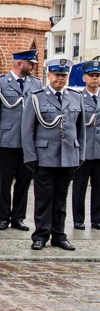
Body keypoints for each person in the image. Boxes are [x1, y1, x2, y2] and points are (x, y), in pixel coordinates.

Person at [23, 58, 84, 251]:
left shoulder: (76, 97)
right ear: (48, 75)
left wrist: (79, 154)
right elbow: (27, 130)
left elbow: (80, 129)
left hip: (67, 156)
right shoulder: (36, 97)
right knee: (43, 198)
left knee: (60, 198)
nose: (60, 78)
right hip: (44, 156)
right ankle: (40, 235)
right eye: (57, 74)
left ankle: (59, 235)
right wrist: (30, 155)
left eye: (64, 75)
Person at [0, 49, 43, 231]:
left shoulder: (35, 84)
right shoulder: (0, 83)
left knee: (24, 181)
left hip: (28, 142)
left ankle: (18, 217)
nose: (33, 67)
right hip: (7, 140)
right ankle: (3, 217)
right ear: (20, 63)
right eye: (30, 64)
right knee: (4, 182)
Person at [73, 60, 100, 230]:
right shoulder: (78, 98)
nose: (95, 79)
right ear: (84, 78)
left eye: (97, 76)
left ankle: (97, 218)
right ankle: (78, 218)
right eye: (91, 76)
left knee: (98, 187)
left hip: (99, 150)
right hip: (84, 149)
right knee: (80, 187)